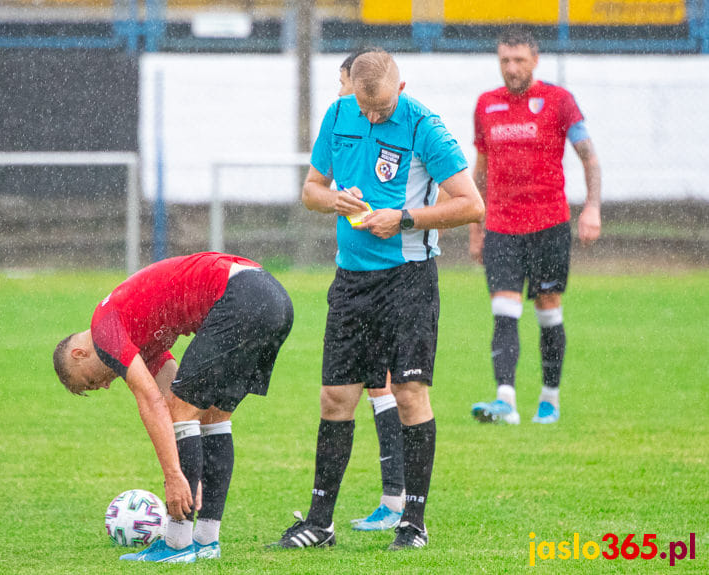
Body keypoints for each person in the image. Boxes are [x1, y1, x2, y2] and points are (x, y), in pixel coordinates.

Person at [271, 49, 484, 551]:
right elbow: (310, 191)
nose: (371, 117)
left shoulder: (425, 127)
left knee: (409, 395)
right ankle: (320, 523)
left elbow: (471, 205)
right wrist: (333, 201)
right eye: (364, 108)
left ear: (401, 89)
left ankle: (413, 523)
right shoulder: (339, 113)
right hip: (351, 280)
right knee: (336, 398)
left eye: (382, 110)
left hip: (408, 279)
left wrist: (405, 218)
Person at [53, 252, 293, 563]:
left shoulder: (104, 329)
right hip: (273, 299)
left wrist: (174, 477)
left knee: (185, 410)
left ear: (78, 353)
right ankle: (207, 540)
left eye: (88, 383)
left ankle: (177, 544)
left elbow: (153, 401)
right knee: (211, 416)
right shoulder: (138, 336)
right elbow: (174, 396)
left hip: (241, 295)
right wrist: (194, 472)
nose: (103, 386)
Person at [469, 26, 601, 425]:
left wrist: (592, 207)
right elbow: (481, 171)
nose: (511, 68)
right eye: (505, 60)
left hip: (548, 225)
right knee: (503, 311)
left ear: (535, 60)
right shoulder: (485, 105)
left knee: (547, 311)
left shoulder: (560, 102)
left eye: (519, 60)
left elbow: (589, 158)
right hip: (502, 227)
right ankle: (505, 401)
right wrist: (476, 228)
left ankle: (549, 397)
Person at [336, 48, 405, 532]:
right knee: (377, 384)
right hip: (355, 271)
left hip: (395, 277)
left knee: (392, 387)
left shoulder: (403, 125)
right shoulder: (345, 124)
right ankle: (394, 499)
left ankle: (398, 501)